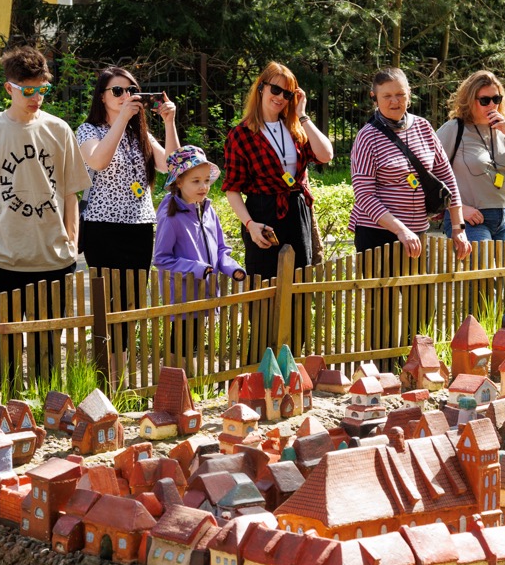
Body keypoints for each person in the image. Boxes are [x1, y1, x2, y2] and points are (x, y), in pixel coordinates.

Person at [0, 46, 92, 393]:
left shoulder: (59, 129)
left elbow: (70, 194)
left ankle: (49, 411)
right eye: (28, 90)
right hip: (2, 259)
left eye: (42, 89)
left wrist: (72, 241)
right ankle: (9, 413)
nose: (36, 97)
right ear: (9, 88)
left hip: (53, 257)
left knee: (47, 348)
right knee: (4, 350)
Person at [222, 62, 334, 279]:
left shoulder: (295, 129)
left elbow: (325, 155)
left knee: (299, 282)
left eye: (288, 93)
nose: (280, 97)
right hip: (262, 212)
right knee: (264, 284)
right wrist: (250, 225)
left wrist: (302, 115)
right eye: (275, 89)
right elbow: (232, 188)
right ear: (261, 88)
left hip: (297, 210)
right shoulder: (241, 134)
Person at [76, 66, 179, 301]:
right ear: (101, 96)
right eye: (117, 90)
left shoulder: (139, 134)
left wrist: (169, 122)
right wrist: (122, 118)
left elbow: (172, 166)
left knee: (133, 298)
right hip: (103, 227)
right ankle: (106, 339)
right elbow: (98, 161)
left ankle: (127, 340)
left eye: (130, 90)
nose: (125, 95)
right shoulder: (88, 130)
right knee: (109, 300)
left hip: (139, 226)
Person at [348, 67, 472, 260]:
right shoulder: (367, 137)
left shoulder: (423, 127)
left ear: (409, 94)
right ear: (374, 97)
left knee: (419, 291)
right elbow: (364, 195)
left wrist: (458, 228)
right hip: (378, 234)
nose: (394, 101)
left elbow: (447, 177)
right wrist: (400, 230)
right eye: (387, 95)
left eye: (400, 94)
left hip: (418, 231)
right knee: (383, 292)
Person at [153, 146, 245, 361]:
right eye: (196, 181)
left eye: (206, 180)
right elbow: (162, 259)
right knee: (181, 349)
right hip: (182, 298)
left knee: (194, 347)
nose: (203, 186)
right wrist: (196, 269)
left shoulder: (207, 210)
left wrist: (232, 268)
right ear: (179, 182)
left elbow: (221, 248)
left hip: (205, 292)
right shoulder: (170, 216)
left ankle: (189, 388)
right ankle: (177, 390)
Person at [436, 70, 505, 246]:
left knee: (499, 273)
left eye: (496, 99)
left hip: (504, 217)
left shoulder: (504, 131)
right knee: (486, 271)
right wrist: (457, 209)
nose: (492, 106)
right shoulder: (454, 129)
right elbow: (428, 174)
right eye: (484, 100)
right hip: (471, 219)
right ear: (469, 100)